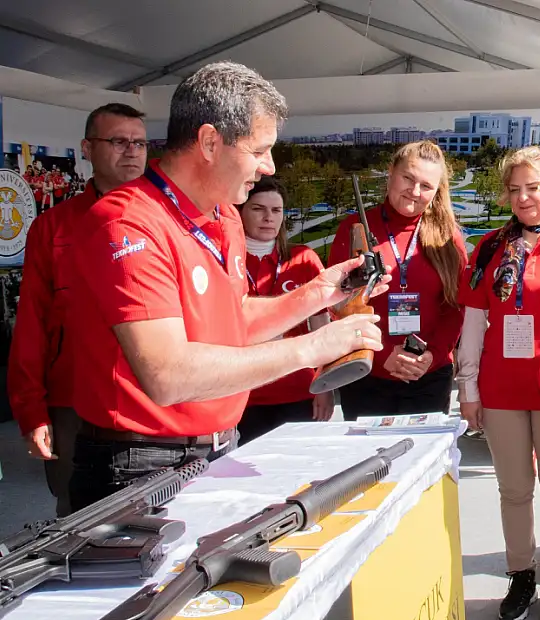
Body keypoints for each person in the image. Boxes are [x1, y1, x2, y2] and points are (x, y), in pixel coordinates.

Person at [66, 61, 390, 512]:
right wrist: (313, 349)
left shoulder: (222, 216)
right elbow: (167, 374)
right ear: (209, 142)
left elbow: (230, 321)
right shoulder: (128, 224)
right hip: (141, 465)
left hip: (217, 448)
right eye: (260, 150)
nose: (269, 166)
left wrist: (318, 292)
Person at [8, 103, 148, 516]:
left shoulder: (173, 220)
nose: (131, 151)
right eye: (118, 141)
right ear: (87, 148)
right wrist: (31, 410)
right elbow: (32, 323)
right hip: (75, 402)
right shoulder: (54, 227)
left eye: (139, 143)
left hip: (155, 394)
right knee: (79, 516)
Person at [457, 146, 540, 620]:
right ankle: (521, 572)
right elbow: (472, 322)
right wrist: (468, 390)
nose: (524, 197)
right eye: (515, 189)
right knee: (513, 491)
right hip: (502, 388)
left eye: (534, 187)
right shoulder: (490, 246)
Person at [328, 140, 467, 418]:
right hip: (367, 376)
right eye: (408, 178)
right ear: (391, 172)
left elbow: (456, 306)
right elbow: (339, 306)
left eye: (426, 186)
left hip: (427, 377)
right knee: (370, 462)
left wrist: (431, 357)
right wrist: (382, 354)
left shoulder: (447, 236)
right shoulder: (355, 229)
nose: (414, 192)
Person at [236, 176, 334, 445]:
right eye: (258, 209)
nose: (268, 217)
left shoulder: (303, 259)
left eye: (276, 210)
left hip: (300, 393)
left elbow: (322, 330)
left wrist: (326, 388)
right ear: (240, 212)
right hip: (242, 397)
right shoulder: (225, 262)